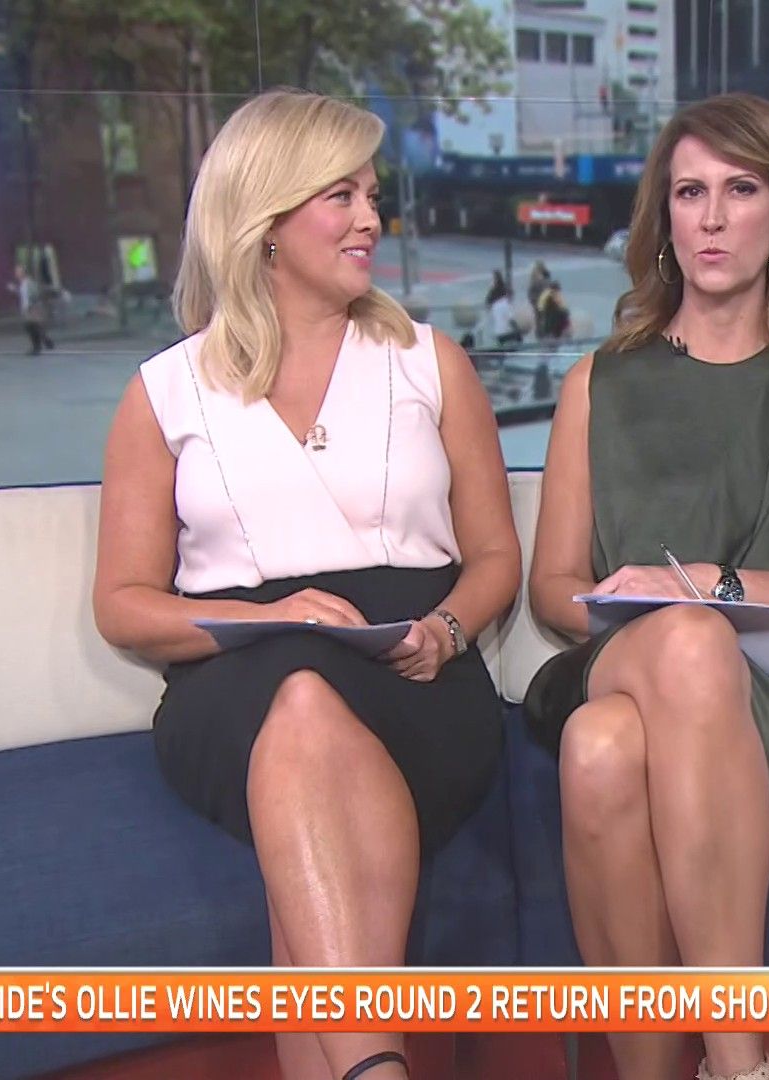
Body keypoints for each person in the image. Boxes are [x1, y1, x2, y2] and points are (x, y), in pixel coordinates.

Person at [91, 90, 519, 1080]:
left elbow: (497, 558)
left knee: (308, 740)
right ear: (267, 219)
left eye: (373, 196)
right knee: (298, 703)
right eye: (342, 196)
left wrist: (448, 631)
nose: (372, 219)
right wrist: (266, 616)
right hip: (234, 680)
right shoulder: (166, 391)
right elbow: (123, 603)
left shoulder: (430, 364)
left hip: (416, 677)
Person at [522, 92, 769, 1080]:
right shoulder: (598, 383)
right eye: (690, 193)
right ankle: (740, 1064)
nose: (714, 218)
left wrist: (708, 584)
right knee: (679, 645)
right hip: (617, 658)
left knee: (602, 749)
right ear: (665, 217)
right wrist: (648, 610)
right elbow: (551, 588)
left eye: (741, 190)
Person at [15, 265, 53, 355]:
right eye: (16, 272)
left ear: (23, 273)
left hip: (32, 308)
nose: (16, 274)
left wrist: (30, 305)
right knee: (34, 327)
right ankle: (46, 341)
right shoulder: (22, 284)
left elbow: (35, 294)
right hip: (27, 308)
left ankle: (37, 347)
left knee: (31, 327)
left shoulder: (29, 283)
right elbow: (24, 296)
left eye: (18, 272)